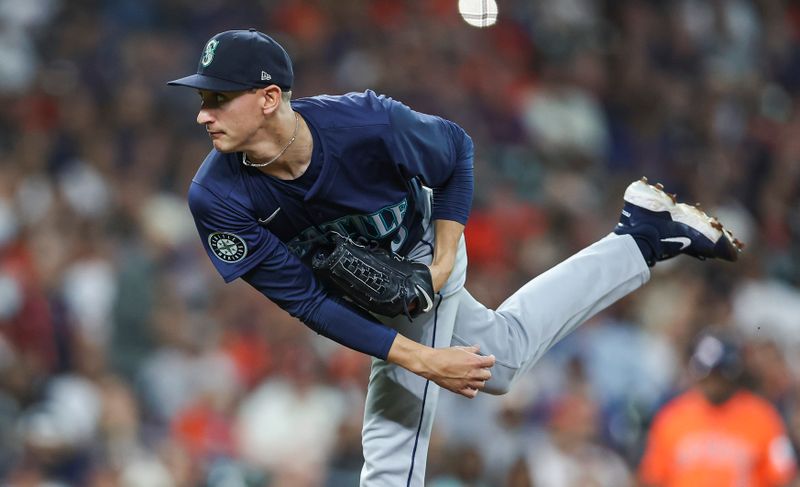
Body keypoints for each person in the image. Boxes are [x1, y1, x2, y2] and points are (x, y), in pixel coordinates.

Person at [167, 29, 742, 486]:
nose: (203, 114)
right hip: (355, 287)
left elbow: (456, 156)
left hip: (423, 249)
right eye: (202, 99)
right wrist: (421, 356)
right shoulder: (216, 197)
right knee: (503, 358)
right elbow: (308, 301)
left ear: (269, 99)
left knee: (392, 435)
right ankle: (641, 237)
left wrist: (439, 270)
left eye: (218, 98)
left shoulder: (366, 123)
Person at [638, 331, 797, 487]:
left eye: (717, 375)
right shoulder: (672, 416)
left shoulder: (763, 416)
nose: (711, 382)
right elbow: (653, 478)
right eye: (705, 373)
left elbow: (783, 477)